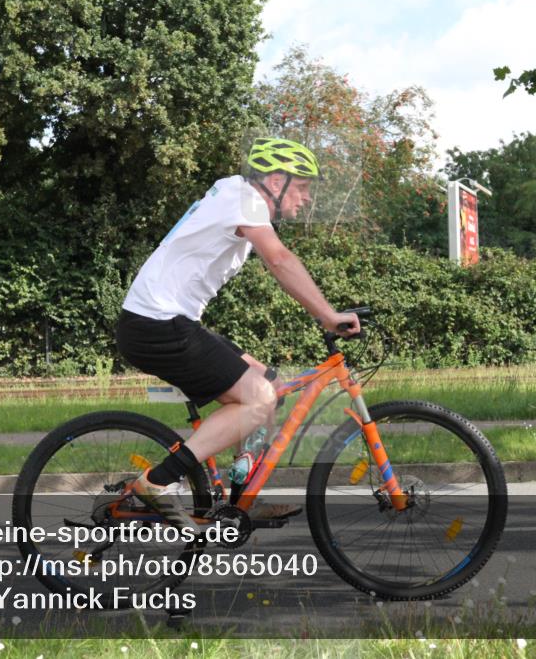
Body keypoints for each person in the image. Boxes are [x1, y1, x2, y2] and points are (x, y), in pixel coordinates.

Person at [115, 137, 360, 532]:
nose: (306, 199)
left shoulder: (235, 194)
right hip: (158, 325)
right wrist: (328, 315)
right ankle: (159, 481)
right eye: (301, 187)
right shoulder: (244, 198)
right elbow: (279, 259)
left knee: (271, 386)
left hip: (165, 323)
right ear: (275, 180)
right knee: (257, 397)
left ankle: (243, 497)